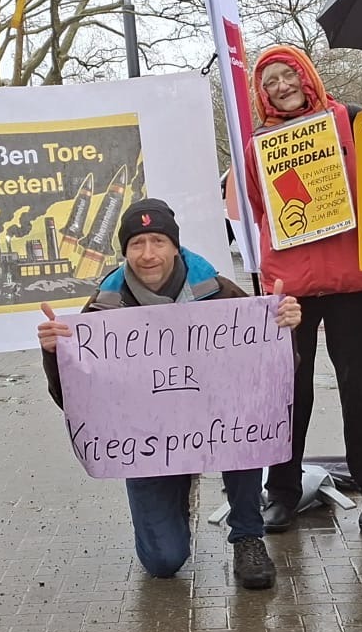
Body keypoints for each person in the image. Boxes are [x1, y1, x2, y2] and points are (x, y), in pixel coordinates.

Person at [38, 199, 302, 589]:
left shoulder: (220, 292)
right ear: (124, 251)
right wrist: (54, 354)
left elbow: (269, 379)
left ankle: (248, 534)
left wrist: (284, 328)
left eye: (158, 241)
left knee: (247, 431)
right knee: (163, 562)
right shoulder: (102, 308)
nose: (148, 254)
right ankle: (176, 483)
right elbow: (75, 401)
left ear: (175, 246)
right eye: (137, 244)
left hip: (217, 421)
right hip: (149, 440)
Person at [245, 45, 362, 533]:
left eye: (286, 75)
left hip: (351, 277)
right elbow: (257, 205)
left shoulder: (350, 121)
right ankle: (282, 492)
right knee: (289, 390)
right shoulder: (257, 145)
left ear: (305, 75)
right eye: (269, 82)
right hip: (290, 285)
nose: (281, 86)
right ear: (260, 93)